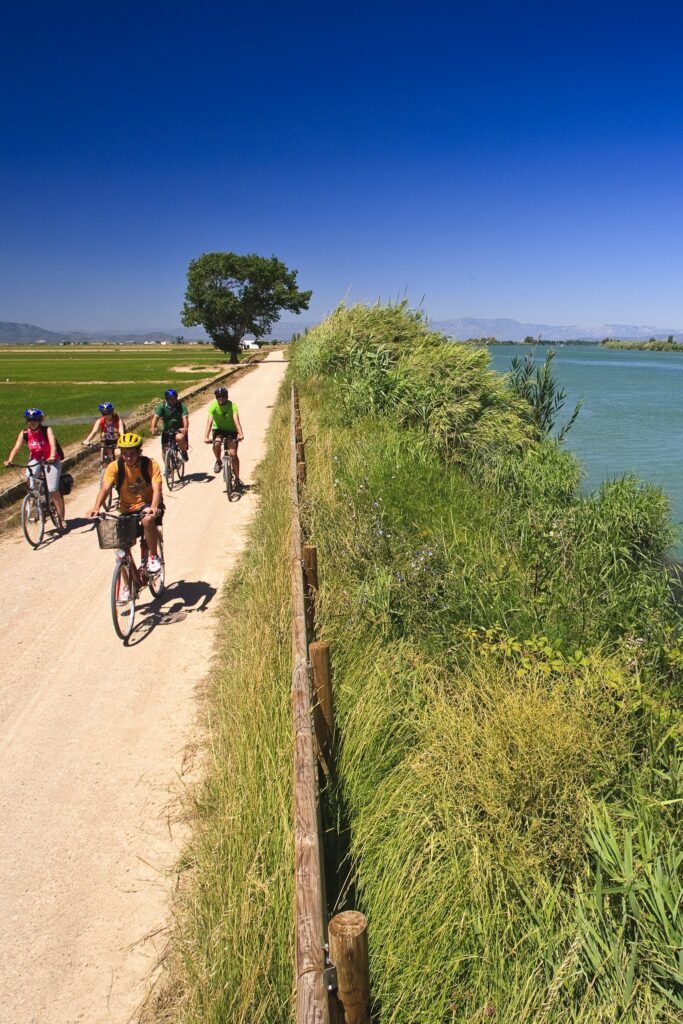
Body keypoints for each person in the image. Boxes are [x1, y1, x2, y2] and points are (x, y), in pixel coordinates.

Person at [88, 432, 163, 573]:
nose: (129, 458)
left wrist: (153, 507)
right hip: (126, 509)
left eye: (132, 454)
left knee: (147, 520)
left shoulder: (150, 465)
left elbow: (157, 489)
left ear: (139, 452)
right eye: (125, 454)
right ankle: (127, 582)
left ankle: (153, 556)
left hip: (148, 504)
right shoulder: (114, 467)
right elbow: (105, 488)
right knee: (121, 551)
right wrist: (96, 508)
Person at [4, 408, 65, 525]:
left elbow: (53, 445)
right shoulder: (25, 433)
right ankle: (36, 504)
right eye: (30, 420)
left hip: (51, 460)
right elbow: (16, 448)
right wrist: (10, 460)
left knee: (52, 489)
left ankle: (60, 517)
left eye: (35, 420)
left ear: (40, 420)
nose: (32, 422)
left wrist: (52, 456)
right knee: (30, 478)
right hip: (36, 459)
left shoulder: (47, 430)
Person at [204, 385, 244, 485]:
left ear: (227, 396)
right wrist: (206, 436)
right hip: (219, 430)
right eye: (218, 396)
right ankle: (218, 461)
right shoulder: (213, 406)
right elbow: (209, 422)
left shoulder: (232, 406)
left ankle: (237, 478)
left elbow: (236, 421)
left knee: (233, 454)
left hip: (231, 430)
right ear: (216, 397)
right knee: (217, 443)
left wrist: (240, 434)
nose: (221, 398)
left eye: (223, 396)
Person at [150, 388, 189, 461]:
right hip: (166, 430)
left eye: (174, 398)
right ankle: (167, 466)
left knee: (180, 438)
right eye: (170, 399)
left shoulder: (181, 406)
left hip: (178, 429)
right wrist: (153, 427)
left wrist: (185, 428)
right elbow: (156, 417)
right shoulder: (162, 406)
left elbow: (185, 418)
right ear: (167, 399)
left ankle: (184, 451)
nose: (172, 401)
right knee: (164, 449)